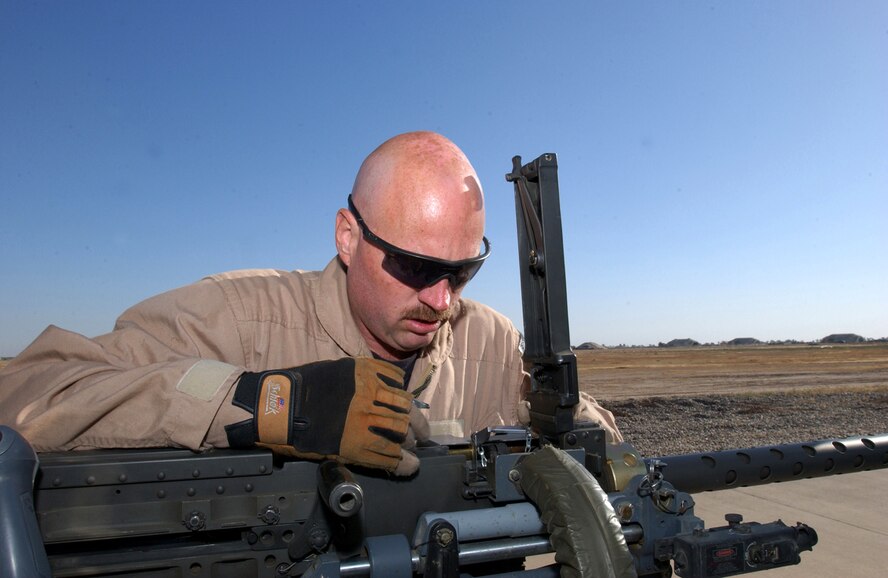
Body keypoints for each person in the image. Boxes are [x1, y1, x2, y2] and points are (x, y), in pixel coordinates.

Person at [0, 131, 621, 476]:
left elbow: (582, 430)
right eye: (415, 267)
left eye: (462, 273)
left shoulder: (487, 338)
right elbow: (32, 391)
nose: (440, 300)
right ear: (348, 238)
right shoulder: (237, 318)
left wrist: (577, 426)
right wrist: (271, 406)